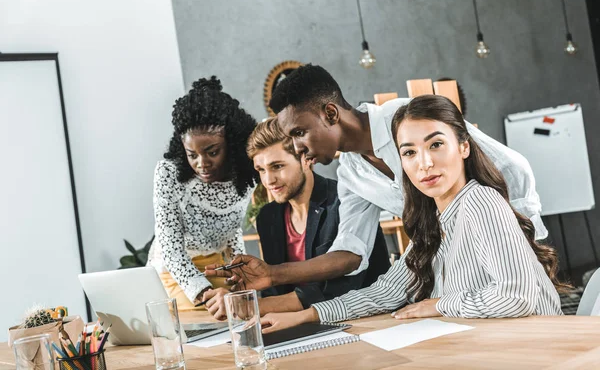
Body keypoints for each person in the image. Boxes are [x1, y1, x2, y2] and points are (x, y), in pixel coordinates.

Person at [205, 64, 548, 294]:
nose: (296, 147)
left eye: (299, 132)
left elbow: (512, 167)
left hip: (507, 262)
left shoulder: (408, 117)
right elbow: (351, 253)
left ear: (330, 113)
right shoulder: (351, 173)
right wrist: (273, 273)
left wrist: (520, 242)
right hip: (452, 278)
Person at [260, 95, 565, 333]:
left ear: (463, 148)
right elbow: (384, 293)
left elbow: (517, 297)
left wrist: (440, 305)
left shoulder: (480, 201)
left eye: (436, 145)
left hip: (535, 347)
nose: (424, 163)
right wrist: (306, 316)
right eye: (408, 152)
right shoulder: (432, 223)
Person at [201, 118, 390, 320]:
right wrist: (238, 297)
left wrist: (247, 305)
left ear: (307, 159)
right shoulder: (268, 217)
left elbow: (337, 291)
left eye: (277, 166)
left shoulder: (345, 203)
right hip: (301, 326)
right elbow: (274, 291)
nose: (268, 180)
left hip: (368, 320)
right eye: (261, 170)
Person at [146, 76, 258, 310]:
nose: (201, 163)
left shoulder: (245, 174)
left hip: (217, 267)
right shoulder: (168, 173)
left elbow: (233, 230)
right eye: (192, 154)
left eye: (212, 152)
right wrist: (204, 293)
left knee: (240, 316)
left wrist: (241, 279)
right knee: (203, 326)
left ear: (231, 144)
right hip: (173, 273)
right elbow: (170, 248)